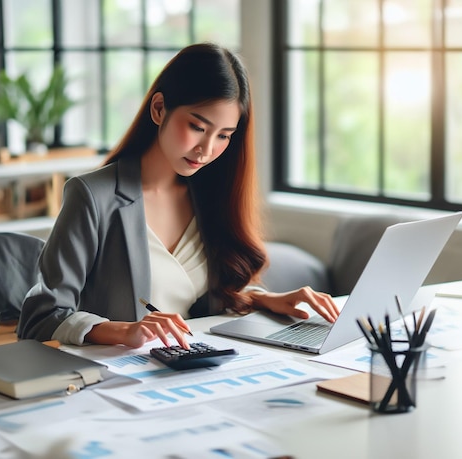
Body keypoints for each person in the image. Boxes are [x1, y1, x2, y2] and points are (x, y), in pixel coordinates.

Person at [17, 42, 339, 350]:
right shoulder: (93, 197)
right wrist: (123, 330)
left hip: (195, 368)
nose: (207, 149)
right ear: (159, 109)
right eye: (198, 127)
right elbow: (40, 318)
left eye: (224, 136)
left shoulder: (211, 196)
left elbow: (207, 299)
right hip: (121, 380)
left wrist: (260, 298)